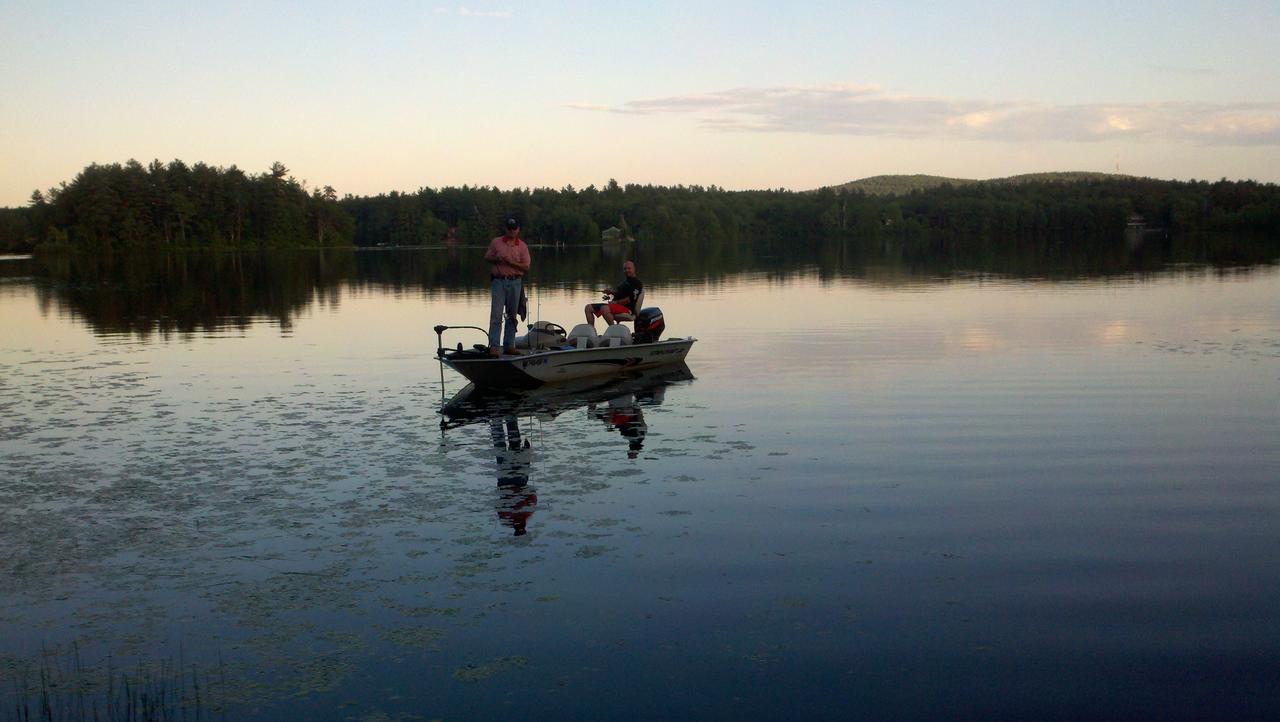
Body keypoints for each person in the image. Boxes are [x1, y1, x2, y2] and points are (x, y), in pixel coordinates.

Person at [484, 217, 531, 356]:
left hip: (515, 282)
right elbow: (486, 257)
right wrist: (496, 259)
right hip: (498, 281)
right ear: (506, 229)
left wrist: (512, 263)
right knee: (496, 315)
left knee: (512, 315)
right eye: (509, 228)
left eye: (514, 228)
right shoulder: (496, 242)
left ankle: (509, 345)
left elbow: (526, 267)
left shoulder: (522, 246)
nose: (511, 231)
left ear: (518, 229)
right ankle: (494, 346)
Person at [584, 260, 643, 328]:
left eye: (629, 268)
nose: (627, 270)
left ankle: (614, 330)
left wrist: (616, 302)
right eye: (625, 269)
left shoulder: (637, 283)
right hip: (615, 306)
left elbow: (629, 299)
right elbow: (619, 294)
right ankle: (592, 332)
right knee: (588, 308)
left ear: (634, 269)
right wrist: (610, 292)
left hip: (627, 309)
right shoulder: (626, 282)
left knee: (604, 308)